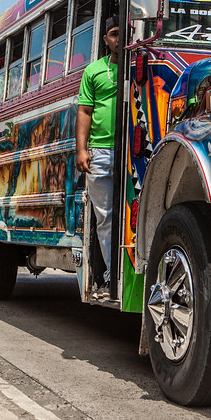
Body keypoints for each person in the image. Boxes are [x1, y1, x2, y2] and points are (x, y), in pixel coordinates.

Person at [76, 16, 120, 298]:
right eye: (113, 34)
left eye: (121, 34)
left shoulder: (139, 67)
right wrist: (82, 150)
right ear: (105, 39)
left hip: (132, 153)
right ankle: (108, 278)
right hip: (100, 152)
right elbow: (85, 112)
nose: (117, 39)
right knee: (105, 218)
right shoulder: (93, 71)